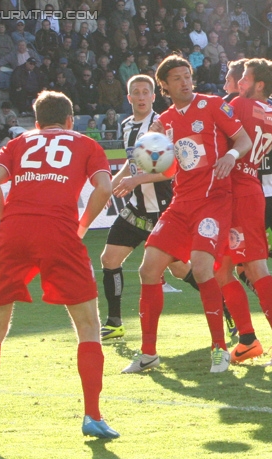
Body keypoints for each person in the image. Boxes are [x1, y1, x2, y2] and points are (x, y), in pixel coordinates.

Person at [0, 90, 118, 442]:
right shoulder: (84, 143)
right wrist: (82, 225)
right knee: (88, 326)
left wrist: (8, 220)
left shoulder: (21, 141)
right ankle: (92, 416)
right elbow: (104, 187)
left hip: (15, 232)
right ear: (70, 120)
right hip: (60, 232)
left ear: (36, 122)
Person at [121, 54, 252, 374]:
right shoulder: (164, 120)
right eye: (177, 78)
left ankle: (219, 349)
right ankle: (148, 353)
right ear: (164, 85)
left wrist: (231, 156)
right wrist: (139, 173)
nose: (185, 81)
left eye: (187, 75)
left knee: (204, 267)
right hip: (181, 204)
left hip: (214, 200)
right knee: (148, 269)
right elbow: (168, 169)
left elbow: (243, 139)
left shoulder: (211, 105)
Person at [215, 58, 272, 366]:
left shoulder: (238, 105)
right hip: (249, 188)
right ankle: (247, 340)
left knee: (255, 269)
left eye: (244, 77)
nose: (239, 82)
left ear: (259, 85)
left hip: (237, 192)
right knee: (222, 270)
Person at [98, 75, 197, 341]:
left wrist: (134, 181)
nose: (141, 97)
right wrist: (111, 185)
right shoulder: (127, 125)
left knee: (179, 269)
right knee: (109, 259)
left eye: (146, 92)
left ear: (153, 97)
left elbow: (168, 172)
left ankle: (225, 308)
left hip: (164, 209)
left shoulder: (161, 124)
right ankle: (115, 322)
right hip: (137, 208)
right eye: (136, 92)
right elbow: (131, 164)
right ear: (128, 98)